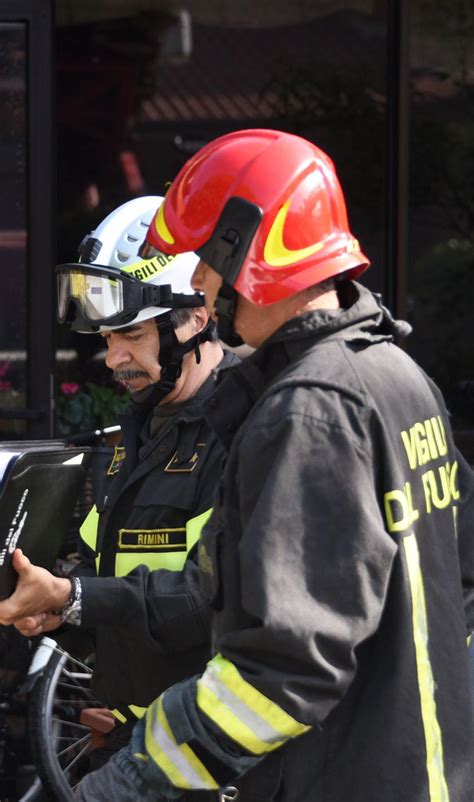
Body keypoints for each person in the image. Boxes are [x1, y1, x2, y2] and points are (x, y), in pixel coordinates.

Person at [74, 129, 473, 802]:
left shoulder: (307, 412)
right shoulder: (394, 375)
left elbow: (281, 670)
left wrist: (133, 777)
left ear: (243, 253)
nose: (198, 284)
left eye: (203, 260)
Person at [0, 196, 238, 762]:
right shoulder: (135, 432)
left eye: (130, 335)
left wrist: (76, 597)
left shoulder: (247, 431)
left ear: (195, 320)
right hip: (137, 740)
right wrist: (60, 613)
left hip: (218, 753)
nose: (113, 358)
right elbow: (106, 572)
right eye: (107, 339)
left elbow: (213, 596)